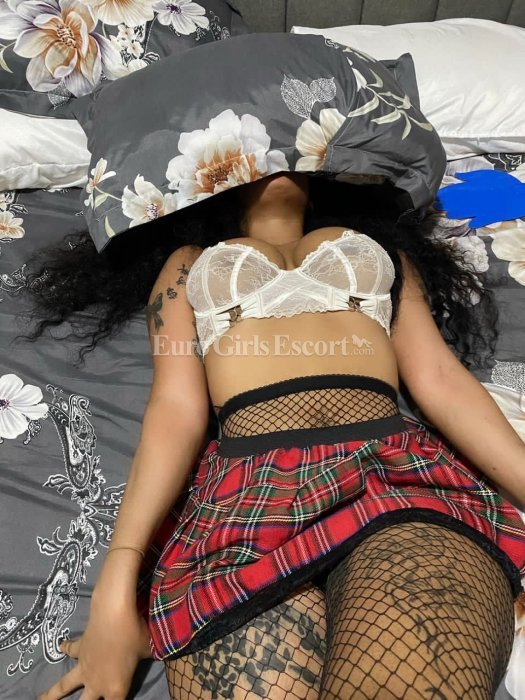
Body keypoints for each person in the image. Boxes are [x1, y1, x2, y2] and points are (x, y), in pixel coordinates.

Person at [27, 172, 525, 700]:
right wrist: (114, 591)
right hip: (244, 501)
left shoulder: (379, 251)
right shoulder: (189, 263)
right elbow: (174, 408)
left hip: (393, 477)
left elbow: (440, 379)